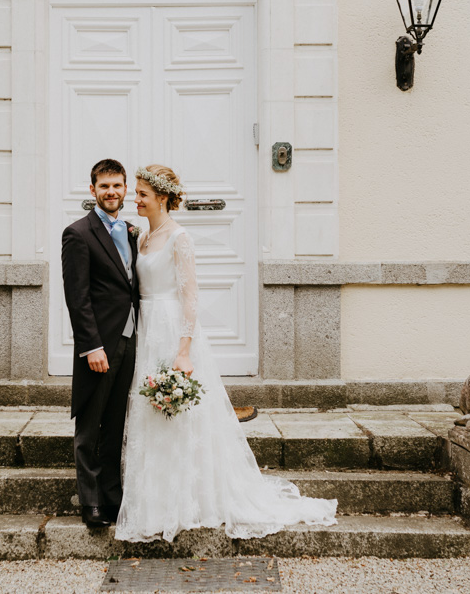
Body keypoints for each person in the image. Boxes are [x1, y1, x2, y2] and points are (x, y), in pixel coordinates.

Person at [115, 164, 338, 542]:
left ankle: (190, 499)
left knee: (181, 416)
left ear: (163, 198)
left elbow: (191, 297)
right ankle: (156, 500)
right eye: (135, 192)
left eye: (142, 194)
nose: (134, 199)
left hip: (172, 330)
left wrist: (183, 351)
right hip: (147, 329)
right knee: (151, 415)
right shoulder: (142, 238)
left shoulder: (179, 238)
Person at [61, 159, 140, 528]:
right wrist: (91, 347)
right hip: (99, 347)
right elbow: (78, 297)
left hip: (129, 340)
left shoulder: (131, 232)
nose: (111, 192)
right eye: (104, 186)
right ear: (92, 190)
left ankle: (112, 497)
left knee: (114, 424)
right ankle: (90, 502)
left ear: (125, 190)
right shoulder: (78, 233)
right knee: (90, 427)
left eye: (118, 186)